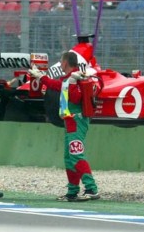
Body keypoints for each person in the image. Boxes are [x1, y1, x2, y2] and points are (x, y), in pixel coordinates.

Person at [30, 49, 100, 202]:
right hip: (70, 121)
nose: (60, 64)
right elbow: (56, 85)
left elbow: (75, 98)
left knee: (76, 154)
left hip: (76, 121)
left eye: (61, 61)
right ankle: (72, 191)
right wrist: (41, 76)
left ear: (66, 62)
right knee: (69, 158)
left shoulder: (77, 78)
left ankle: (92, 189)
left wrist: (73, 83)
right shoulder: (69, 78)